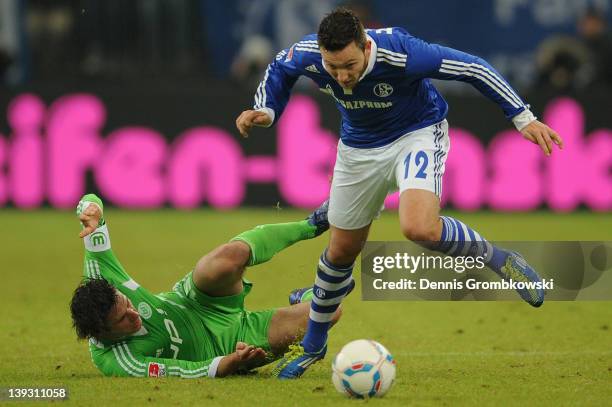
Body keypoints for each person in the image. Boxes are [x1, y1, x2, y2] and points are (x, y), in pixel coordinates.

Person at [235, 7, 564, 379]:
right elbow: (281, 66)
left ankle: (500, 259)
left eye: (350, 65)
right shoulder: (310, 53)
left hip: (416, 134)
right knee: (341, 251)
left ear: (366, 44)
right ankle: (313, 346)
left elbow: (474, 68)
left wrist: (523, 117)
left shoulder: (402, 53)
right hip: (358, 149)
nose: (342, 77)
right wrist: (266, 109)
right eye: (333, 68)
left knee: (419, 227)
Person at [69, 193, 340, 378]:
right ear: (103, 333)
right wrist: (234, 362)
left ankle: (312, 223)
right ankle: (304, 297)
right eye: (123, 320)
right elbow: (186, 372)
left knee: (226, 260)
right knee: (331, 311)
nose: (134, 314)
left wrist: (90, 210)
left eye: (127, 304)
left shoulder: (100, 275)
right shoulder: (118, 361)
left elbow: (90, 204)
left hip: (194, 301)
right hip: (226, 345)